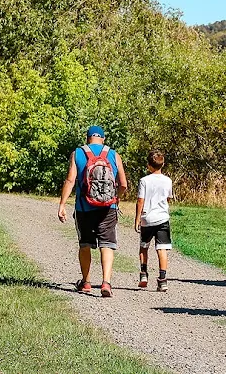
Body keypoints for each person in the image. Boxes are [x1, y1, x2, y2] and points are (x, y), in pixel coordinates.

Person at [58, 126, 128, 297]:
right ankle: (106, 282)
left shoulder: (77, 153)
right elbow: (124, 184)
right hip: (108, 207)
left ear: (87, 138)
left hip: (84, 207)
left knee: (85, 244)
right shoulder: (113, 154)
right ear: (102, 139)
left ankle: (86, 282)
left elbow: (70, 180)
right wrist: (116, 198)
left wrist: (62, 204)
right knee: (107, 244)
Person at [134, 150, 173, 292]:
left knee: (144, 246)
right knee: (162, 249)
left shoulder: (144, 181)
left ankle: (143, 274)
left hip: (147, 218)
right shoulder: (168, 180)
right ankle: (162, 280)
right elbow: (168, 198)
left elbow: (140, 200)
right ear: (163, 164)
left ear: (149, 166)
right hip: (162, 218)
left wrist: (137, 218)